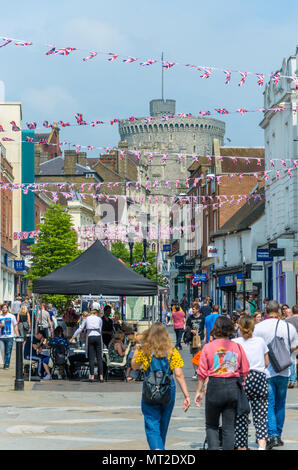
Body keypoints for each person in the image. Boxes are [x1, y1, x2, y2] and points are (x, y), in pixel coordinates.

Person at [131, 323, 190, 450]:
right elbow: (179, 374)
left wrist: (137, 348)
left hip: (150, 389)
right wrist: (186, 395)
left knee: (152, 423)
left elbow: (135, 366)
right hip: (168, 390)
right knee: (163, 424)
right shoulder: (172, 352)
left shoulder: (145, 351)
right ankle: (159, 447)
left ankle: (157, 448)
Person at [195, 316, 250, 450]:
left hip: (215, 386)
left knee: (212, 425)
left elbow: (202, 372)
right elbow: (245, 369)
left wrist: (199, 391)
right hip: (232, 386)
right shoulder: (237, 346)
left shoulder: (208, 348)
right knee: (229, 427)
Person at [254, 300, 298, 449]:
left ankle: (271, 435)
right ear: (279, 311)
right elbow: (294, 346)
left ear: (266, 311)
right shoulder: (288, 327)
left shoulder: (258, 327)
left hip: (266, 371)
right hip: (284, 370)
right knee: (280, 404)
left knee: (269, 404)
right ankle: (278, 435)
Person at [232, 315, 269, 450]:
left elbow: (231, 364)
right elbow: (266, 362)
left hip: (242, 379)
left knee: (241, 413)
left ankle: (241, 446)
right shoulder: (260, 341)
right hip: (259, 378)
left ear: (239, 327)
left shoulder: (235, 342)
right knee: (260, 415)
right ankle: (262, 445)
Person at [70, 309, 104, 382]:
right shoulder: (99, 319)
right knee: (99, 357)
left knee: (91, 357)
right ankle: (101, 376)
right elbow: (100, 329)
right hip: (98, 336)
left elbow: (80, 328)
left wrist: (73, 337)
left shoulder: (87, 319)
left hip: (90, 336)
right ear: (96, 313)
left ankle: (92, 376)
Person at [186, 302, 205, 379]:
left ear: (198, 309)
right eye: (192, 309)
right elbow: (187, 327)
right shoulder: (190, 318)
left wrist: (205, 338)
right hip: (193, 339)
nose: (192, 310)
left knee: (201, 356)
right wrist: (191, 331)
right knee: (194, 356)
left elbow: (205, 328)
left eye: (193, 309)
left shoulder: (202, 318)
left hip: (200, 339)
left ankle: (200, 370)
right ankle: (196, 371)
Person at [0, 304, 19, 369]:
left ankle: (6, 364)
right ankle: (4, 362)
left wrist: (17, 335)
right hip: (1, 337)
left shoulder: (12, 316)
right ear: (1, 309)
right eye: (3, 308)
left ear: (7, 308)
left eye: (5, 307)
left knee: (8, 351)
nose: (4, 309)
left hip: (10, 336)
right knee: (2, 351)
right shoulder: (0, 316)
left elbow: (15, 325)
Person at [285, 305, 298, 389]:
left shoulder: (287, 320)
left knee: (292, 361)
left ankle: (292, 380)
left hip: (292, 343)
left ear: (292, 312)